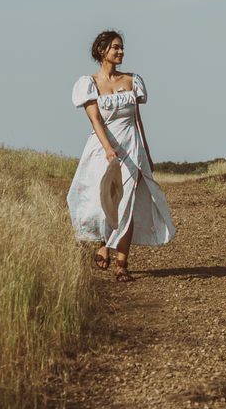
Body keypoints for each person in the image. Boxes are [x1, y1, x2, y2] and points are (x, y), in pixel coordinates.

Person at [67, 30, 176, 281]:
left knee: (126, 201)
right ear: (102, 51)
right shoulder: (89, 83)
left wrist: (146, 151)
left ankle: (122, 263)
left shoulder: (132, 80)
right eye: (115, 48)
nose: (120, 52)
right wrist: (107, 149)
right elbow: (95, 119)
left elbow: (137, 120)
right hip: (101, 148)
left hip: (131, 147)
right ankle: (104, 244)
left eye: (122, 48)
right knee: (105, 200)